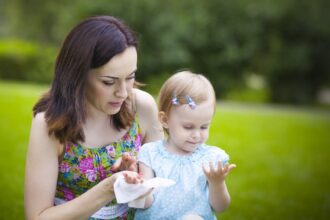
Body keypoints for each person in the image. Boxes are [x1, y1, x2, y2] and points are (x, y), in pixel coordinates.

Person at [24, 15, 163, 220]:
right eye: (109, 82)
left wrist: (137, 182)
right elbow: (37, 217)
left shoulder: (141, 106)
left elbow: (163, 186)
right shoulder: (49, 124)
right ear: (78, 75)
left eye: (130, 77)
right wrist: (109, 188)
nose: (123, 93)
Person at [126, 71, 236, 219]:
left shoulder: (211, 159)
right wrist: (138, 189)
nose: (197, 135)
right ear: (164, 120)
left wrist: (217, 183)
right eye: (188, 127)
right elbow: (143, 203)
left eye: (204, 127)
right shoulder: (150, 154)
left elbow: (221, 207)